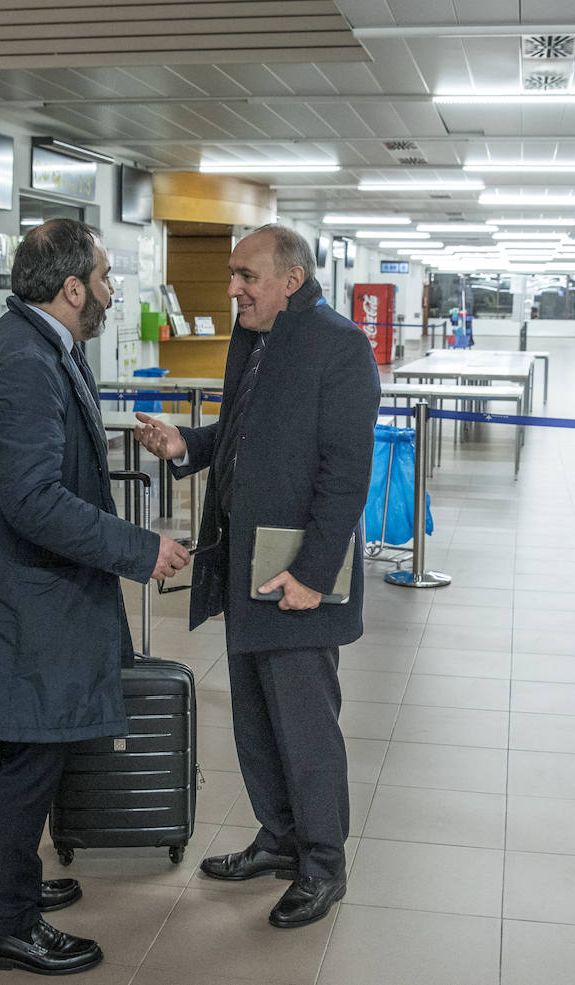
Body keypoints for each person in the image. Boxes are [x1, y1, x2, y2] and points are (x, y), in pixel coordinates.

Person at [0, 219, 190, 975]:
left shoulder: (26, 346)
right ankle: (10, 925)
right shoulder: (23, 365)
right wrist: (141, 548)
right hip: (18, 602)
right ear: (71, 288)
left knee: (4, 744)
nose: (108, 290)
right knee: (29, 750)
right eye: (103, 278)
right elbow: (33, 501)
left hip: (13, 594)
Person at [133, 224, 379, 929]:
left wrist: (311, 572)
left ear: (291, 280)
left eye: (247, 274)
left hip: (296, 569)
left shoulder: (341, 348)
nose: (233, 287)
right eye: (233, 274)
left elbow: (345, 478)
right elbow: (240, 433)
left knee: (304, 722)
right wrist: (189, 443)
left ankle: (323, 864)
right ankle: (279, 836)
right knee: (255, 717)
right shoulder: (255, 338)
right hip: (243, 559)